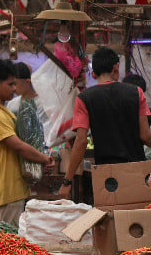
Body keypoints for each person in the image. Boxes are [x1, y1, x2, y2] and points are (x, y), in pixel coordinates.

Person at [60, 47, 151, 199]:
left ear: (94, 73)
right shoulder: (136, 92)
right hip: (137, 172)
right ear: (116, 68)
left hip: (107, 176)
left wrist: (67, 181)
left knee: (110, 218)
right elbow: (146, 136)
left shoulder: (84, 99)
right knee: (136, 219)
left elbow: (81, 141)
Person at [0, 60, 55, 224]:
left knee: (13, 242)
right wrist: (44, 159)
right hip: (7, 188)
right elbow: (18, 146)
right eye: (11, 84)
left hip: (13, 186)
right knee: (9, 243)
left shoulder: (3, 111)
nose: (15, 88)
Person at [12, 62, 50, 149]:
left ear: (27, 81)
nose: (13, 88)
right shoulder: (12, 104)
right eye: (11, 84)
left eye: (15, 84)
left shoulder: (43, 104)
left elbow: (46, 132)